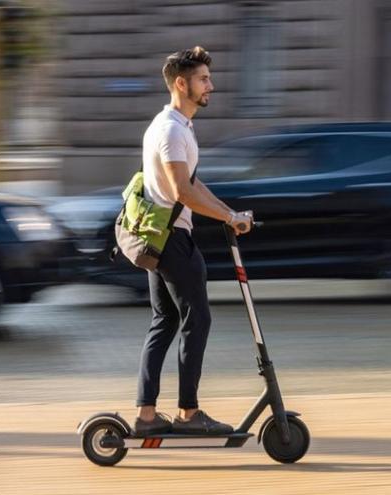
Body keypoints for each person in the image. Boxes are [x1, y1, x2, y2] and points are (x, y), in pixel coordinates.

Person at [134, 46, 253, 436]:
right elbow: (181, 191)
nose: (211, 86)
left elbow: (194, 182)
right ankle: (188, 414)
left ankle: (147, 416)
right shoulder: (170, 130)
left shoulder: (176, 126)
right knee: (196, 319)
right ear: (181, 83)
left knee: (165, 320)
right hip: (172, 240)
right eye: (203, 79)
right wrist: (228, 216)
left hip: (162, 236)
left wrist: (228, 213)